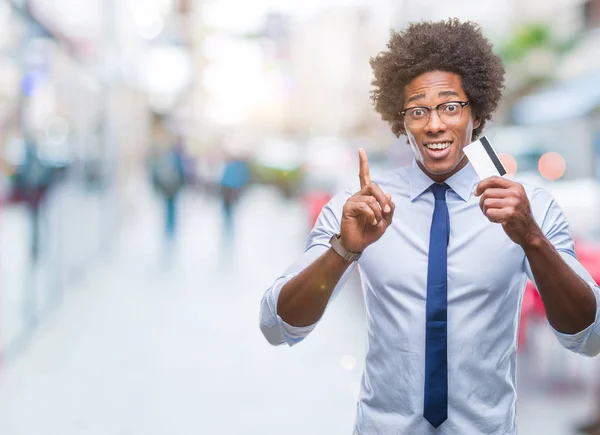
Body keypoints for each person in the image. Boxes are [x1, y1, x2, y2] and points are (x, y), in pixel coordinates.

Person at [259, 19, 600, 434]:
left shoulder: (529, 209)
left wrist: (532, 239)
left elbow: (590, 336)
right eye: (418, 110)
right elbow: (277, 326)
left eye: (450, 106)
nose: (434, 124)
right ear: (402, 121)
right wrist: (342, 251)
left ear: (476, 113)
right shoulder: (361, 205)